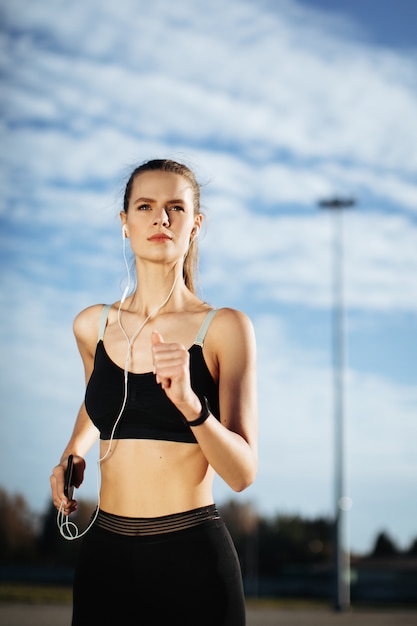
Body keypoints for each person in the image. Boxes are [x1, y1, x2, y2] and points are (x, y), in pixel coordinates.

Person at [50, 158, 258, 625]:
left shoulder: (224, 328)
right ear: (125, 223)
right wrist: (72, 453)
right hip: (105, 558)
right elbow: (97, 400)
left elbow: (243, 473)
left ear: (196, 225)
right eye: (145, 206)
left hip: (193, 560)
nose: (160, 219)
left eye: (175, 208)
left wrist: (190, 404)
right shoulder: (93, 326)